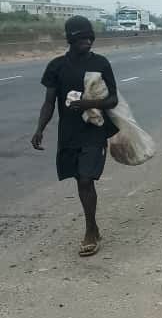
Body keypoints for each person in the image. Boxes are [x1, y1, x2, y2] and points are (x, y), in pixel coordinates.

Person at [31, 16, 118, 257]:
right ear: (71, 39)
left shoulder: (101, 63)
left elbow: (113, 99)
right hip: (69, 133)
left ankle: (90, 230)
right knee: (78, 178)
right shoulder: (56, 66)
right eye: (82, 38)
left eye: (90, 37)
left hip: (94, 130)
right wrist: (40, 128)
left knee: (85, 179)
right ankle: (94, 226)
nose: (87, 41)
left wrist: (89, 103)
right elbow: (49, 103)